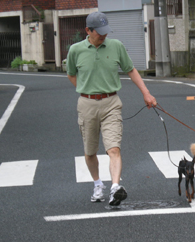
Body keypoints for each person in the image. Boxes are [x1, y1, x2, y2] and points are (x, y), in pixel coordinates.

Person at [66, 11, 157, 205]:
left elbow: (131, 70)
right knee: (90, 151)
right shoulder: (75, 50)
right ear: (88, 31)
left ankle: (115, 187)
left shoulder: (116, 47)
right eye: (99, 32)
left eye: (106, 31)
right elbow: (72, 74)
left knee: (113, 149)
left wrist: (146, 93)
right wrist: (86, 90)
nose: (103, 35)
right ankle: (98, 184)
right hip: (86, 104)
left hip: (111, 103)